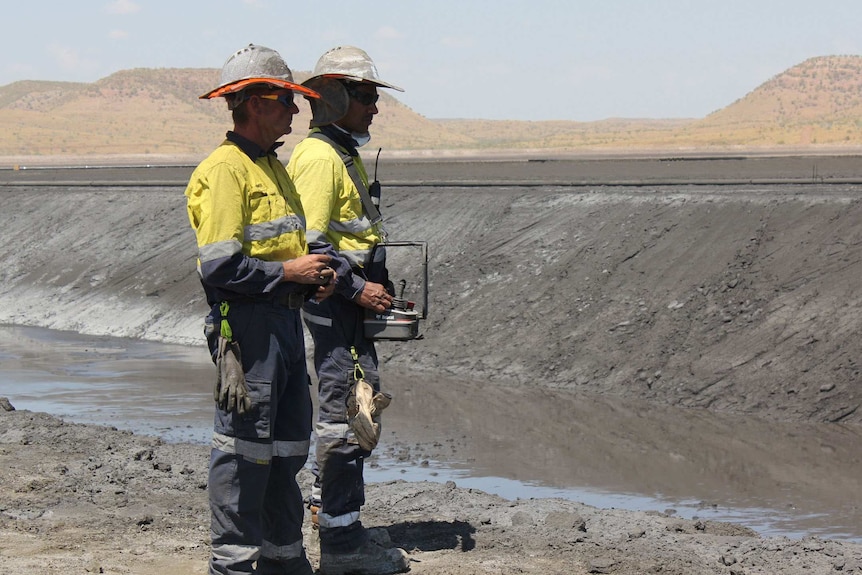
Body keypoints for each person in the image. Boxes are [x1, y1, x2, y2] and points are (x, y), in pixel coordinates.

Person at [185, 43, 353, 575]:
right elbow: (219, 268)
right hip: (249, 329)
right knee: (242, 453)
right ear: (255, 102)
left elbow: (291, 246)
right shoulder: (225, 171)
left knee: (285, 450)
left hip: (283, 322)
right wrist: (289, 274)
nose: (296, 111)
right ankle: (233, 566)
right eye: (285, 99)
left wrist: (318, 276)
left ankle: (285, 561)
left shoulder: (273, 169)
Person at [286, 46, 410, 575]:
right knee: (343, 415)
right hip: (336, 308)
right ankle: (341, 541)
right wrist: (356, 288)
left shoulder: (342, 153)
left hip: (349, 307)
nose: (374, 108)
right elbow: (312, 245)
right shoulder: (317, 159)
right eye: (365, 97)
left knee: (353, 407)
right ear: (334, 98)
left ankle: (334, 514)